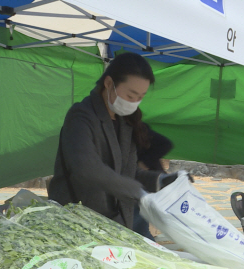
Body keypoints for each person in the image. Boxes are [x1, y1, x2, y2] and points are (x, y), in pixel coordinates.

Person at [49, 52, 184, 230]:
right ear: (109, 84)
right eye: (130, 96)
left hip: (115, 221)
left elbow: (128, 171)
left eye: (140, 97)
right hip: (78, 220)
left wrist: (161, 180)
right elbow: (86, 169)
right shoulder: (81, 116)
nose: (134, 102)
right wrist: (137, 192)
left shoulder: (124, 121)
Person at [133, 122, 174, 240]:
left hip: (148, 179)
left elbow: (165, 144)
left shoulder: (137, 128)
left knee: (139, 218)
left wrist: (144, 162)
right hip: (136, 180)